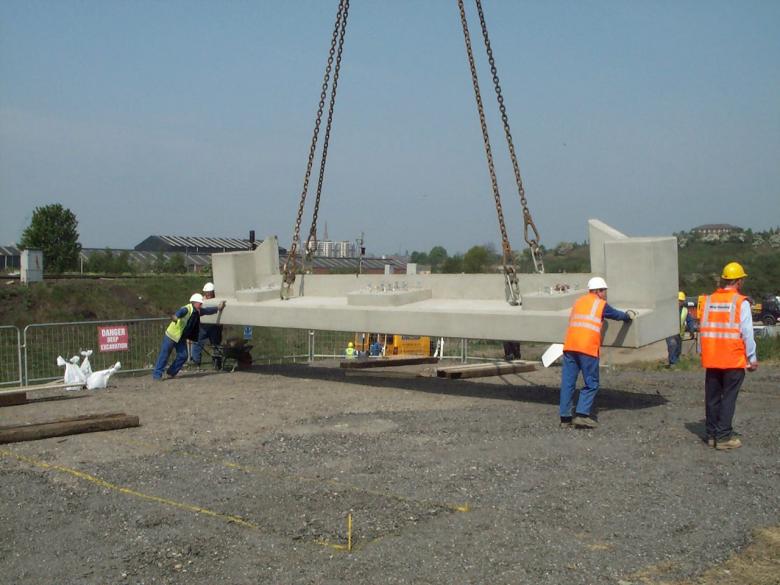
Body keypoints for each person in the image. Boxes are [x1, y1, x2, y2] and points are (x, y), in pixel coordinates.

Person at [559, 277, 635, 429]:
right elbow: (617, 315)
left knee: (568, 383)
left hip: (570, 346)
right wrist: (629, 316)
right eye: (605, 291)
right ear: (599, 291)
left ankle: (565, 418)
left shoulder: (578, 302)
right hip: (587, 348)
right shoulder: (600, 304)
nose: (606, 294)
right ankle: (581, 415)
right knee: (592, 383)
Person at [698, 262, 758, 450]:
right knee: (728, 397)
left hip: (712, 358)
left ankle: (712, 434)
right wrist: (752, 357)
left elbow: (702, 329)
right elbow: (747, 332)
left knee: (713, 397)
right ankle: (723, 437)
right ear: (738, 282)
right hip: (733, 358)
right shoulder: (741, 302)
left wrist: (702, 352)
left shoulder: (708, 300)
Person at [153, 293, 226, 380]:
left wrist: (218, 308)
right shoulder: (187, 309)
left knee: (183, 356)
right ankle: (157, 375)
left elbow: (207, 311)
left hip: (180, 337)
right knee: (164, 354)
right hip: (171, 335)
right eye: (200, 303)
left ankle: (171, 372)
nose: (201, 305)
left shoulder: (197, 311)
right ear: (194, 303)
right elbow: (180, 312)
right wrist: (176, 316)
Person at [190, 282, 224, 369]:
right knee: (197, 344)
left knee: (216, 346)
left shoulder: (218, 300)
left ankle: (217, 365)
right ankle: (196, 364)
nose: (208, 294)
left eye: (210, 292)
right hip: (202, 326)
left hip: (215, 327)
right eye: (207, 292)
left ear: (213, 292)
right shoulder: (201, 301)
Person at [665, 291, 696, 366]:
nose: (679, 302)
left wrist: (691, 331)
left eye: (681, 301)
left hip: (679, 334)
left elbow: (690, 320)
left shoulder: (685, 310)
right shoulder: (669, 309)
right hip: (670, 333)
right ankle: (672, 363)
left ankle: (676, 363)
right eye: (678, 300)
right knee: (672, 345)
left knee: (678, 350)